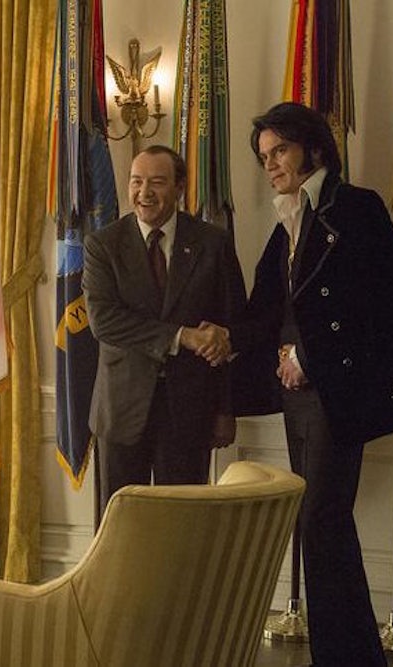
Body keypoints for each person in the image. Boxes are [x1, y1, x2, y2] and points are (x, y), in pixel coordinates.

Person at [225, 102, 393, 666]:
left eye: (279, 150)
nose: (270, 165)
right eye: (264, 156)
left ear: (312, 147)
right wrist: (223, 338)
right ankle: (350, 656)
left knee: (322, 520)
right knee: (321, 524)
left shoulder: (354, 207)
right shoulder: (287, 220)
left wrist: (306, 357)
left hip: (337, 387)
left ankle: (344, 657)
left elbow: (378, 302)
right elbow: (269, 308)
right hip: (300, 397)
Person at [82, 145, 245, 519]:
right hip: (121, 412)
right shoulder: (102, 245)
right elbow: (104, 321)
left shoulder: (212, 242)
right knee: (119, 528)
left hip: (190, 411)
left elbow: (230, 328)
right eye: (136, 181)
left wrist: (225, 408)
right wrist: (182, 336)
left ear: (180, 187)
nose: (144, 192)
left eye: (156, 182)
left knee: (184, 525)